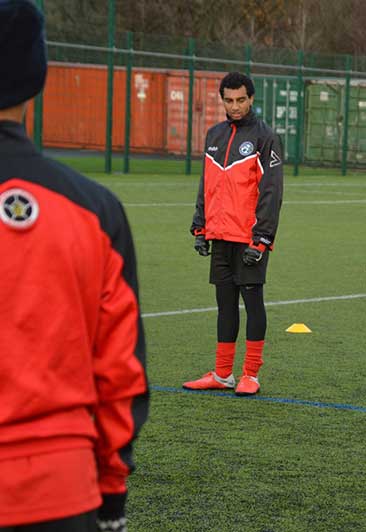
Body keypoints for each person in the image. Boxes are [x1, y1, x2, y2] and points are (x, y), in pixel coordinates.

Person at [0, 2, 149, 531]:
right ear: (37, 75)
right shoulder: (94, 210)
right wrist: (111, 498)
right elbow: (120, 372)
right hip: (61, 494)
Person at [184, 72, 284, 397]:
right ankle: (223, 373)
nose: (235, 106)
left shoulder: (265, 137)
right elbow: (207, 184)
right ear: (222, 100)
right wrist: (200, 226)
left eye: (241, 100)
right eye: (229, 100)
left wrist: (263, 238)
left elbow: (272, 192)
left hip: (250, 239)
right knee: (225, 305)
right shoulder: (214, 135)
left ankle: (251, 375)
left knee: (253, 303)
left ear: (251, 98)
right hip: (219, 236)